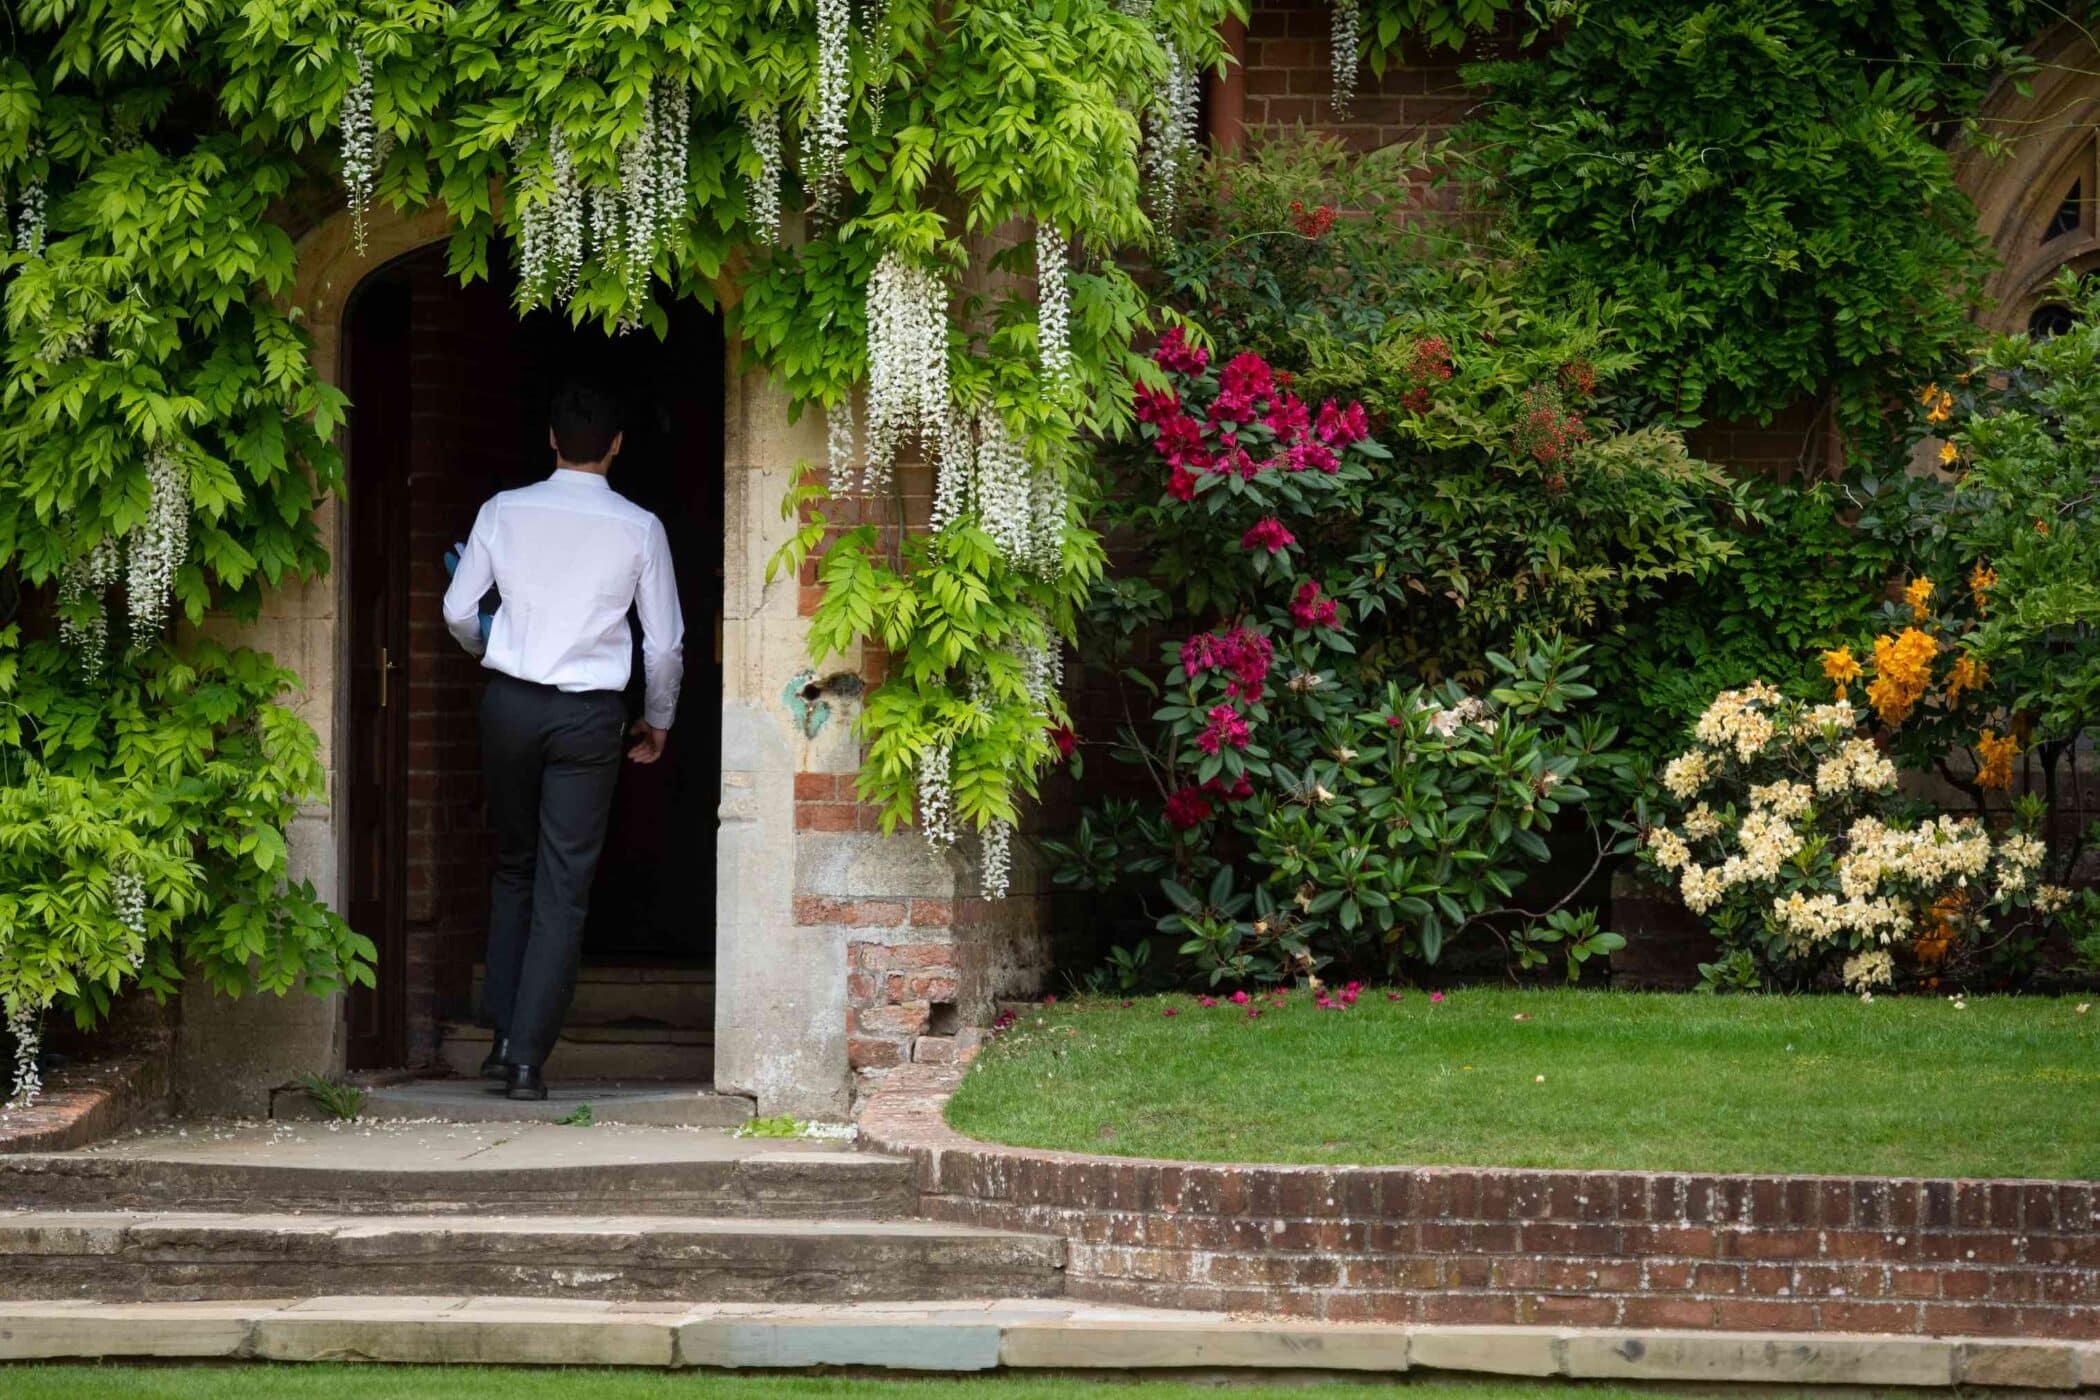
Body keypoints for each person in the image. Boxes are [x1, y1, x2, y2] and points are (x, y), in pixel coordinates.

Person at [441, 380, 684, 1101]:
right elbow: (662, 646)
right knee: (563, 886)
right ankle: (524, 1056)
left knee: (514, 869)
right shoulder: (639, 527)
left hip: (509, 706)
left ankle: (500, 1041)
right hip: (587, 717)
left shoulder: (503, 511)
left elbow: (458, 608)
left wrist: (489, 645)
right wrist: (659, 719)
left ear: (551, 439)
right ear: (616, 446)